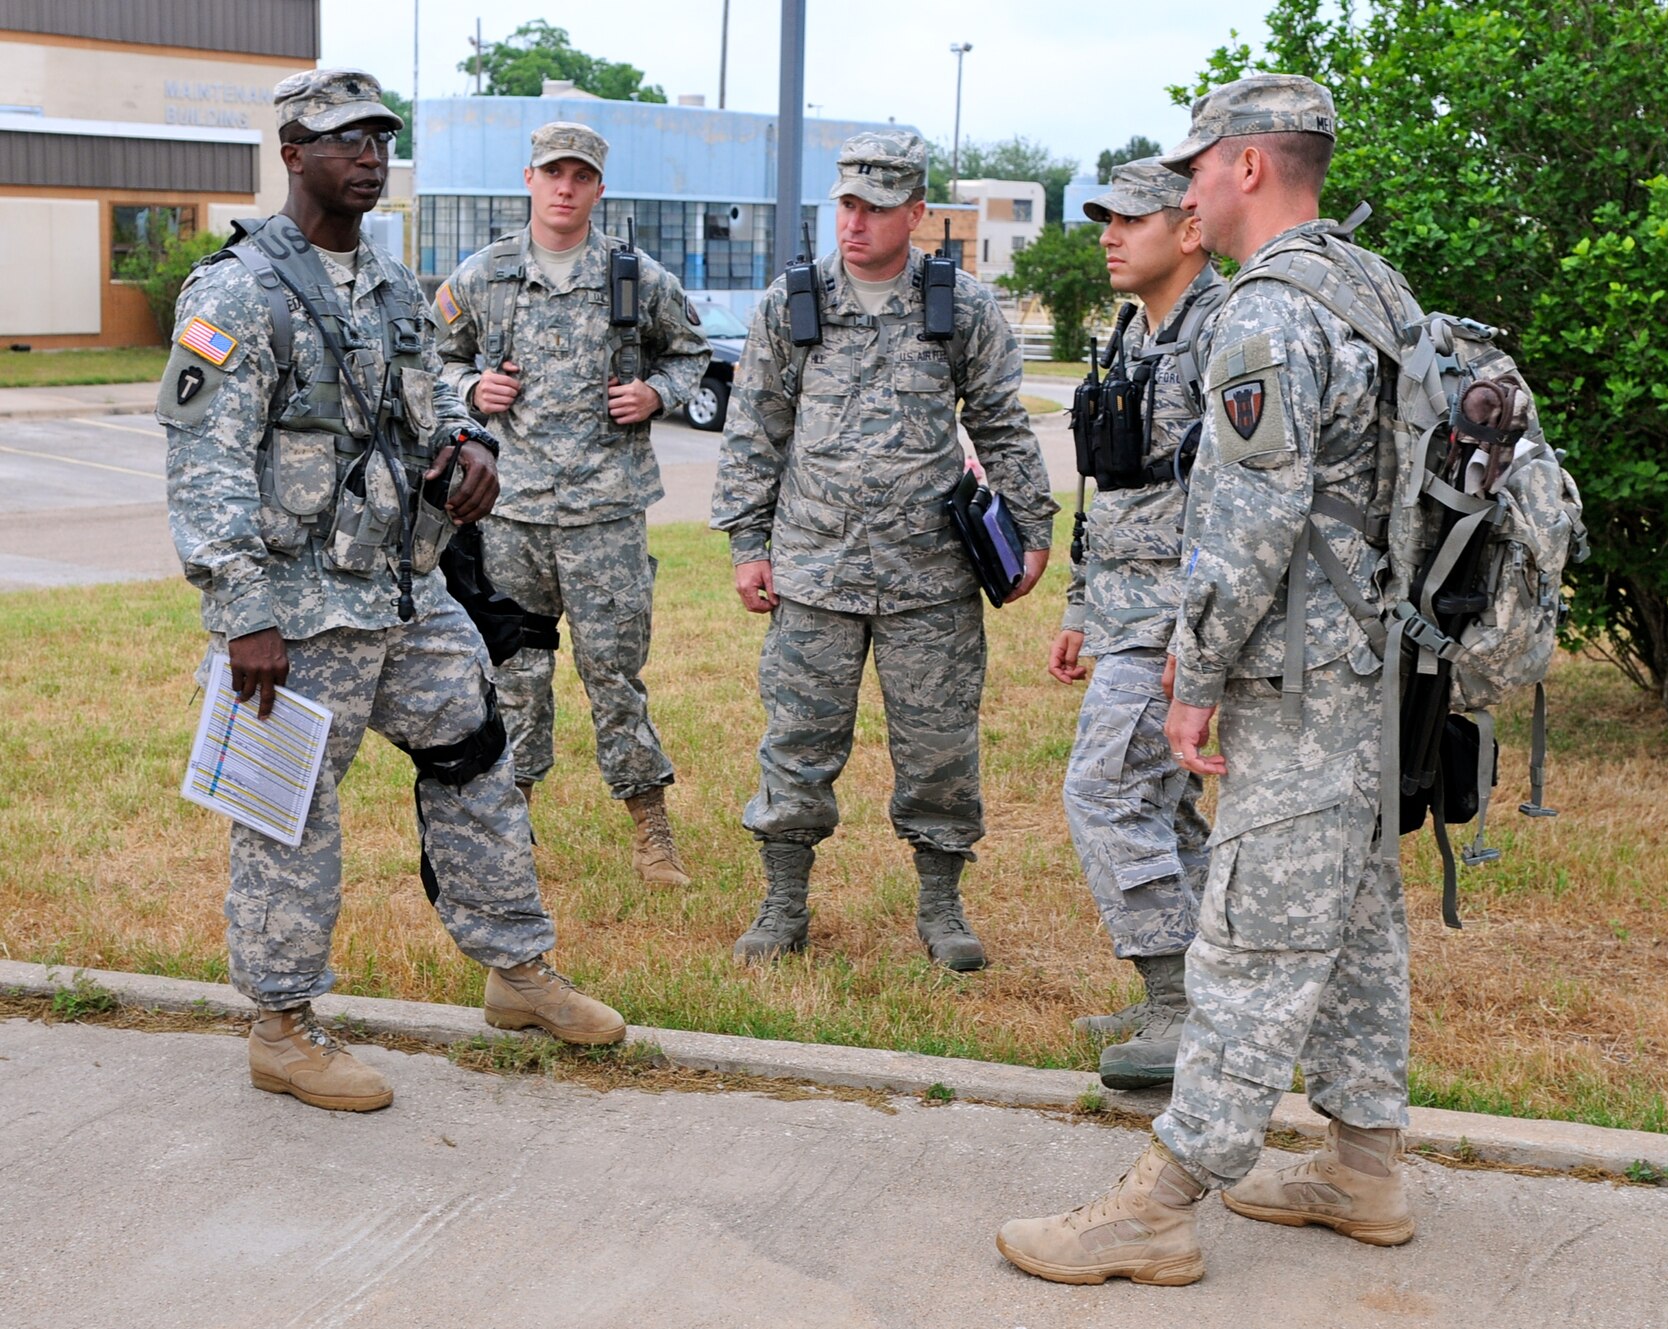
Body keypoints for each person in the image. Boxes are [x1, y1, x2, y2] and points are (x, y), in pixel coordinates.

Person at [998, 74, 1416, 1285]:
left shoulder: (1265, 318)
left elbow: (1246, 523)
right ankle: (1362, 1165)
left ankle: (1162, 1201)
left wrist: (1193, 672)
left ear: (1245, 165)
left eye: (1194, 166)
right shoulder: (1365, 285)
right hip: (1372, 662)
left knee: (1247, 932)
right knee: (1353, 921)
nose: (1182, 187)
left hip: (1298, 672)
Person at [159, 69, 624, 1115]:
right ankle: (280, 1026)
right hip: (293, 613)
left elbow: (421, 416)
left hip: (403, 597)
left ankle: (516, 971)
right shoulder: (236, 293)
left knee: (476, 761)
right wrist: (245, 615)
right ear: (292, 153)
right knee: (286, 816)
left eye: (379, 137)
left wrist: (466, 446)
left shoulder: (393, 286)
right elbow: (205, 466)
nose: (367, 155)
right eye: (342, 139)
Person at [711, 129, 1057, 971]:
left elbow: (1003, 422)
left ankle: (942, 907)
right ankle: (783, 903)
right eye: (845, 205)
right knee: (797, 744)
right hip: (814, 569)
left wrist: (1033, 529)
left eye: (874, 207)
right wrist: (748, 542)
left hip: (930, 576)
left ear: (915, 213)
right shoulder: (792, 303)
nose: (855, 222)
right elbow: (755, 429)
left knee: (939, 753)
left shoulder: (960, 306)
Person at [433, 121, 710, 888]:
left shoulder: (637, 278)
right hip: (510, 509)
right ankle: (509, 827)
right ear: (528, 178)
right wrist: (469, 391)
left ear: (598, 189)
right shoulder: (485, 276)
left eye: (580, 176)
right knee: (515, 676)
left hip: (604, 512)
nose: (565, 187)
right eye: (553, 172)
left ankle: (651, 830)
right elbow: (432, 356)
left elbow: (691, 353)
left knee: (615, 674)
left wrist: (656, 392)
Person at [1052, 158, 1225, 1089]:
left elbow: (1232, 506)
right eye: (1103, 220)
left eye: (1130, 220)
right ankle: (1198, 994)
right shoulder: (1136, 332)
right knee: (1164, 809)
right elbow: (1112, 483)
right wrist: (1082, 604)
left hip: (1175, 617)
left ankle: (1175, 1001)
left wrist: (1198, 645)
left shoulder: (1217, 335)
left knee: (1105, 791)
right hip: (1124, 606)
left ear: (1187, 229)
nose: (1110, 235)